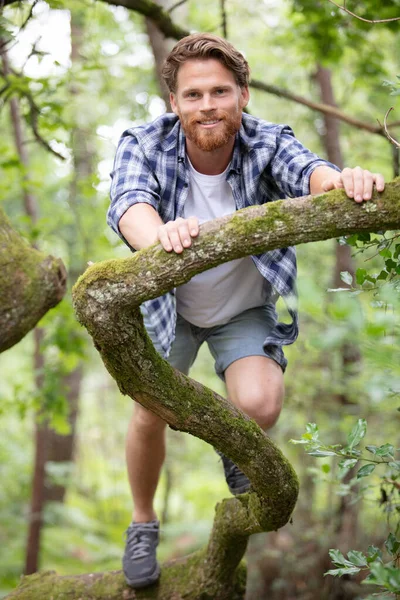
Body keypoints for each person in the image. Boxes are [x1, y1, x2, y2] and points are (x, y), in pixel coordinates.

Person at [108, 33, 385, 589]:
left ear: (243, 95)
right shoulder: (143, 140)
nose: (206, 105)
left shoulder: (265, 140)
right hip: (170, 308)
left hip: (242, 308)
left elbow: (309, 171)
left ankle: (236, 447)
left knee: (258, 404)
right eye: (193, 95)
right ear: (174, 103)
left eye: (219, 92)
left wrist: (343, 180)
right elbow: (128, 204)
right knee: (148, 411)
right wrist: (160, 236)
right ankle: (143, 524)